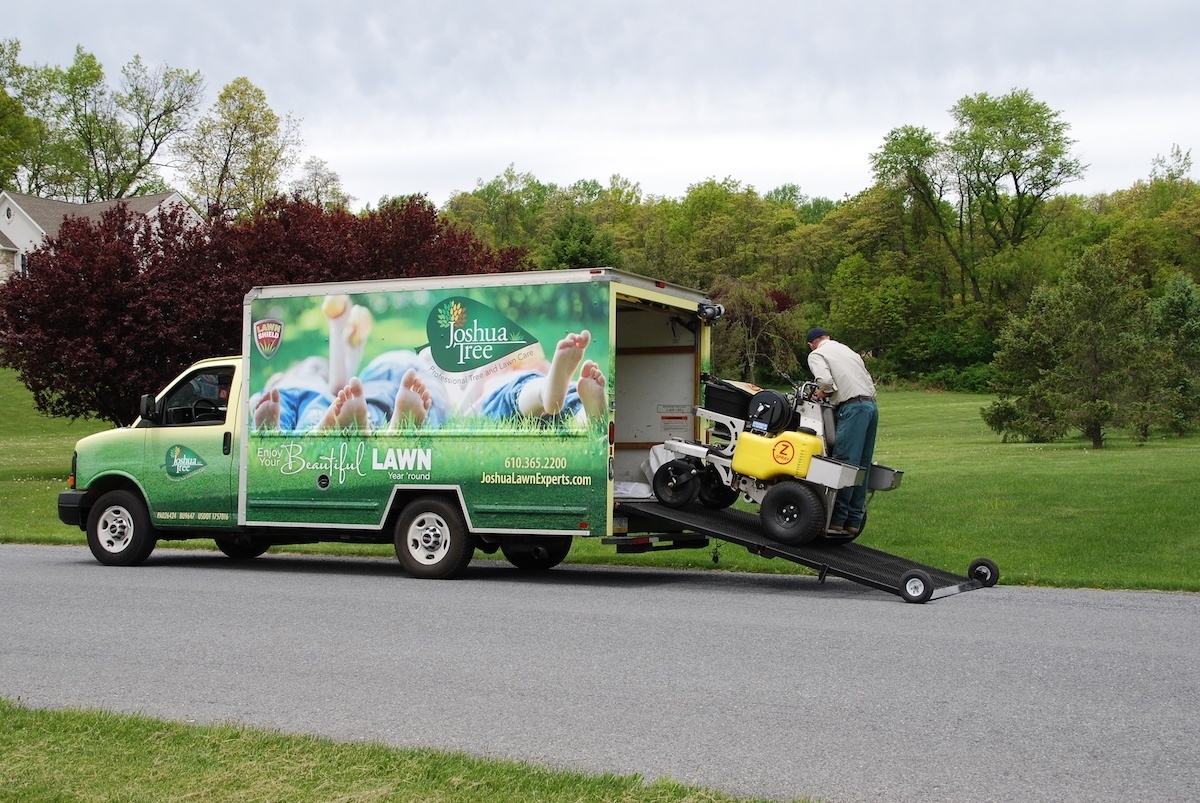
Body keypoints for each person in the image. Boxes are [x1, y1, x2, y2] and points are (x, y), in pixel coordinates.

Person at [805, 327, 878, 535]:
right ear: (827, 337)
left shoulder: (817, 354)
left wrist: (821, 392)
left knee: (844, 463)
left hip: (852, 408)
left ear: (812, 343)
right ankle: (854, 521)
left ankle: (836, 520)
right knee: (862, 466)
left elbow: (826, 382)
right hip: (871, 406)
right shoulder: (848, 351)